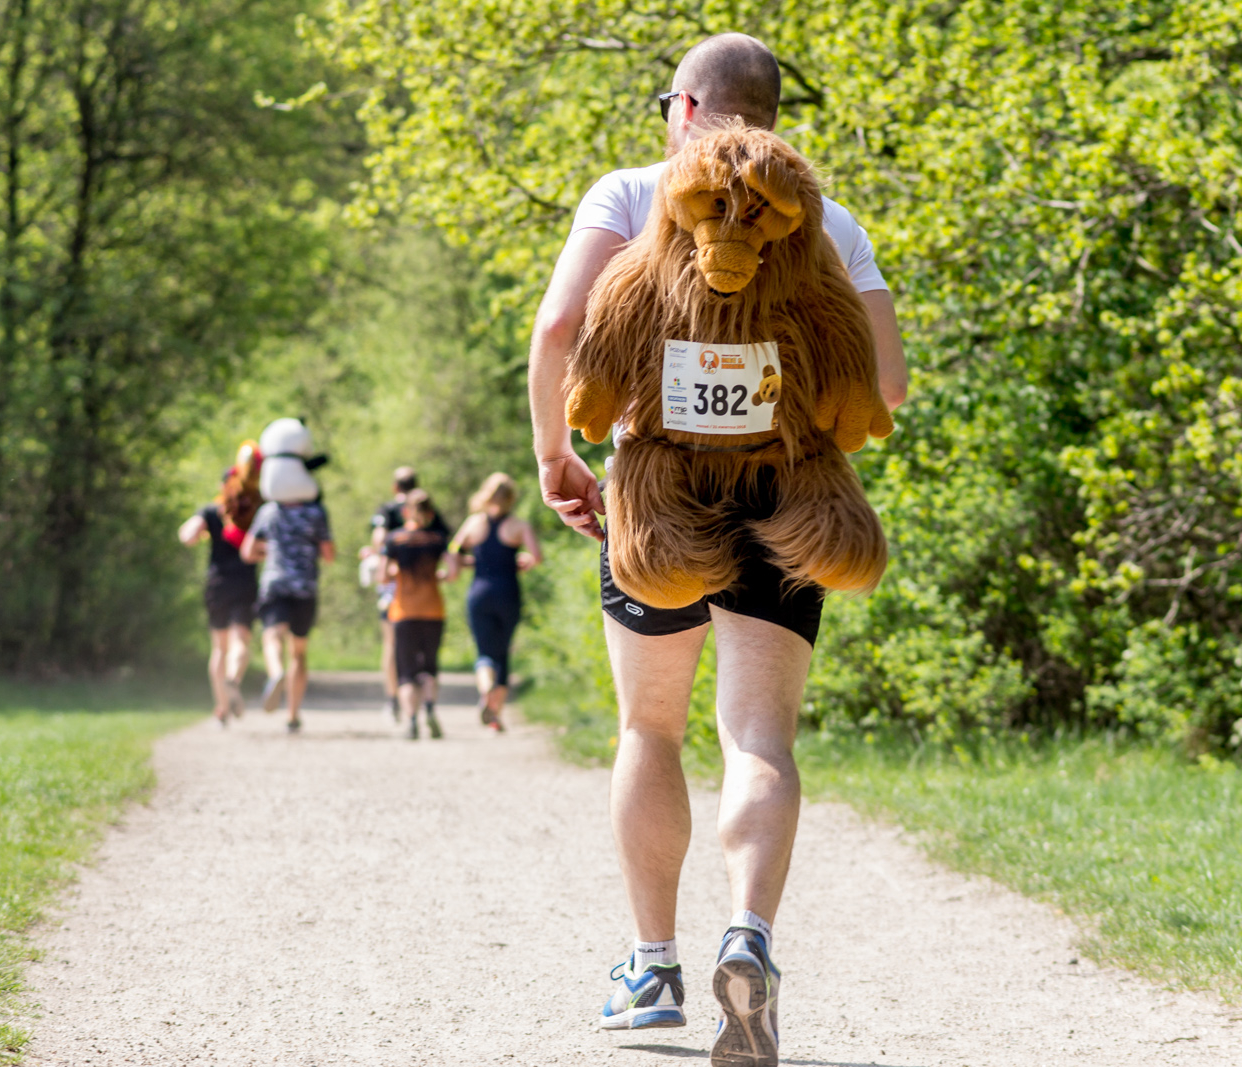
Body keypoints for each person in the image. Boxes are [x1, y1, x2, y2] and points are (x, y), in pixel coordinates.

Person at [527, 33, 908, 1067]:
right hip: (786, 492)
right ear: (774, 115)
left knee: (650, 727)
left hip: (656, 493)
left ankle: (652, 969)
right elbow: (887, 388)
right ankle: (750, 936)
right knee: (759, 739)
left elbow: (564, 323)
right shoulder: (824, 218)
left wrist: (557, 455)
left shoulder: (629, 192)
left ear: (686, 108)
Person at [177, 442, 262, 725]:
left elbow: (187, 534)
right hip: (245, 582)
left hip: (217, 584)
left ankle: (222, 708)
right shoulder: (253, 512)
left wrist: (198, 533)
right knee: (241, 642)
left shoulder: (212, 511)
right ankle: (233, 679)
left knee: (219, 648)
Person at [450, 472, 542, 732]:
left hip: (479, 592)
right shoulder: (518, 526)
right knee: (503, 653)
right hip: (508, 592)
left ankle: (485, 689)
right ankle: (495, 715)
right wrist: (523, 561)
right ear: (511, 498)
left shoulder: (472, 524)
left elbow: (454, 550)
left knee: (484, 653)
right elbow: (536, 557)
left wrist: (466, 563)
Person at [242, 486, 335, 733]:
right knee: (299, 651)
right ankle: (293, 715)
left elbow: (247, 551)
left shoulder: (269, 511)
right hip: (305, 587)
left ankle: (276, 672)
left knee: (272, 635)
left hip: (275, 583)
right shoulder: (316, 513)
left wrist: (272, 550)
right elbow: (329, 554)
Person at [382, 489, 458, 740]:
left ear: (406, 512)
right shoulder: (437, 539)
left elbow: (382, 576)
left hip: (403, 612)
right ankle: (430, 709)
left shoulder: (395, 540)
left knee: (406, 671)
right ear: (430, 513)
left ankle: (412, 721)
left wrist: (395, 572)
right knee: (430, 666)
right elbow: (453, 571)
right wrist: (439, 576)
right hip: (433, 610)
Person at [367, 467, 431, 722]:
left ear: (395, 487)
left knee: (392, 644)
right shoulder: (427, 510)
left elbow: (379, 540)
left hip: (394, 587)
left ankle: (393, 699)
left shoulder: (387, 511)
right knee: (422, 646)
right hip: (425, 589)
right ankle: (424, 702)